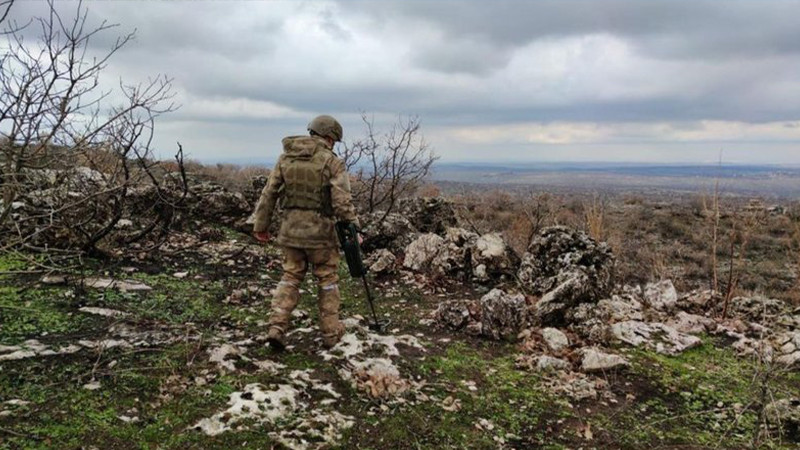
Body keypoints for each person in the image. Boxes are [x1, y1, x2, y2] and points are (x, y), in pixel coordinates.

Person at [251, 115, 360, 351]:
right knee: (327, 280)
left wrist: (261, 226)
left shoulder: (285, 158)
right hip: (320, 234)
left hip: (290, 232)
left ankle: (276, 327)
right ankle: (331, 333)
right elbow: (342, 202)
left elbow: (269, 193)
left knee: (290, 277)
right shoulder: (332, 162)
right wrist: (353, 228)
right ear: (330, 137)